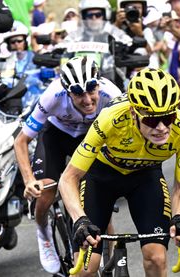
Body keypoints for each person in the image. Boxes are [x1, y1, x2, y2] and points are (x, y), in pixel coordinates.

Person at [58, 68, 180, 276]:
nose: (161, 127)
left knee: (157, 258)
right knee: (86, 268)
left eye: (167, 118)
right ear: (134, 113)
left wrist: (179, 218)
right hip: (101, 175)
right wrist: (80, 220)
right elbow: (68, 179)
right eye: (151, 120)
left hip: (145, 177)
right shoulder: (110, 119)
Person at [13, 56, 122, 274]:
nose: (88, 99)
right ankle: (43, 232)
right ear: (66, 91)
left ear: (98, 84)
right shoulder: (52, 96)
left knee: (99, 194)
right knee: (46, 189)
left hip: (90, 137)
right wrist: (28, 180)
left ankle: (110, 258)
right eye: (78, 93)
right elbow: (21, 141)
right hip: (56, 136)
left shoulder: (112, 94)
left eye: (91, 89)